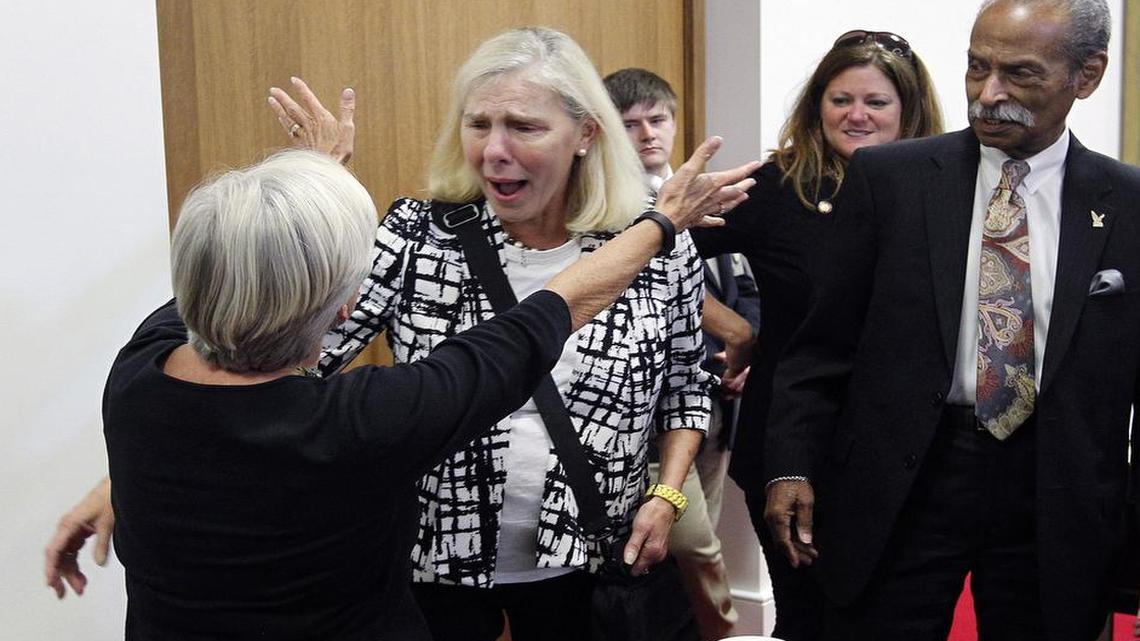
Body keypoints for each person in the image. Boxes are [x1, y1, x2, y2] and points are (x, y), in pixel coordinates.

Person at [46, 26, 761, 641]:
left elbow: (682, 386)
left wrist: (667, 495)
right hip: (435, 564)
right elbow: (268, 348)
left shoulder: (656, 248)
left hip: (587, 556)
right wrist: (126, 477)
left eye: (524, 126)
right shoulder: (420, 232)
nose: (494, 151)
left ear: (586, 135)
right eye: (479, 124)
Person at [763, 1, 1140, 639]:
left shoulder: (1127, 204)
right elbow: (823, 344)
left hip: (1055, 489)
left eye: (1019, 74)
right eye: (976, 68)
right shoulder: (893, 180)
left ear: (1088, 75)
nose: (988, 95)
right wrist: (791, 464)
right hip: (907, 475)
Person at [688, 28, 943, 641]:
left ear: (907, 113)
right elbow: (660, 252)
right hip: (789, 443)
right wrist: (734, 326)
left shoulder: (944, 196)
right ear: (817, 105)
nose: (856, 115)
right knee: (806, 618)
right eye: (839, 99)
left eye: (876, 103)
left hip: (905, 450)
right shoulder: (778, 187)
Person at [605, 66, 760, 641]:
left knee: (704, 530)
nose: (647, 134)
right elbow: (655, 288)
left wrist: (748, 353)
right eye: (630, 124)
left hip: (719, 399)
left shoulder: (711, 192)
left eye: (657, 119)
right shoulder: (610, 208)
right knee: (693, 544)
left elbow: (745, 283)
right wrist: (736, 330)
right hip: (653, 411)